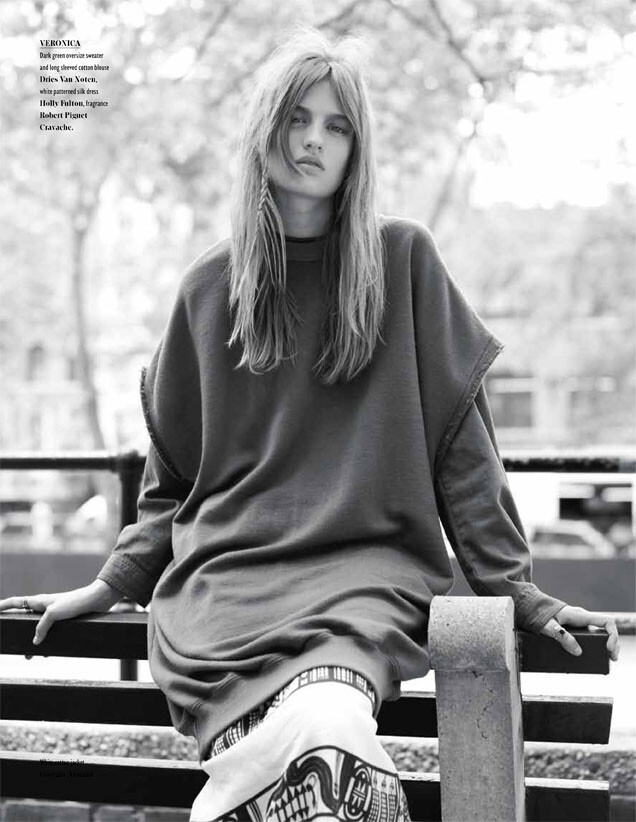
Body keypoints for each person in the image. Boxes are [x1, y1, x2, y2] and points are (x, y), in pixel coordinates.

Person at [0, 24, 620, 822]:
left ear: (358, 148)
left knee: (330, 711)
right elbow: (172, 486)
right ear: (265, 130)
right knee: (322, 739)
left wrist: (518, 591)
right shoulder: (209, 288)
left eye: (337, 125)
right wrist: (113, 583)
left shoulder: (404, 260)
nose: (313, 141)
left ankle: (253, 791)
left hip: (366, 572)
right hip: (227, 582)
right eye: (297, 118)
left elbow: (464, 457)